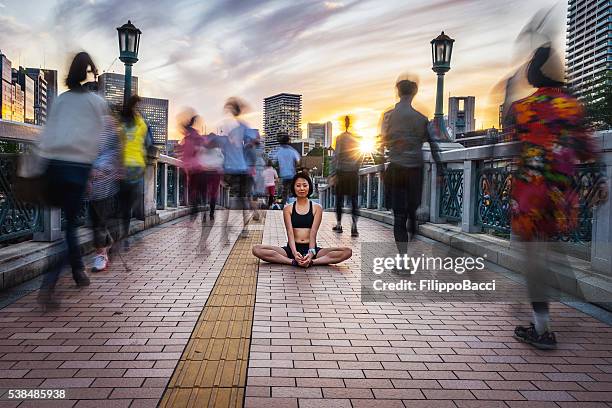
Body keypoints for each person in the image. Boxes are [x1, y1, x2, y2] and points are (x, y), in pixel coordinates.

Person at [506, 45, 603, 349]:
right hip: (561, 192)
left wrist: (509, 93)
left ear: (533, 73)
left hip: (530, 192)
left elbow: (513, 145)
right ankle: (549, 306)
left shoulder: (521, 108)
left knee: (534, 258)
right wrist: (599, 179)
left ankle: (541, 327)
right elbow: (587, 149)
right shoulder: (572, 108)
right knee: (546, 251)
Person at [36, 52, 108, 308]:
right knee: (71, 228)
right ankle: (50, 281)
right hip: (78, 167)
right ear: (90, 72)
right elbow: (99, 139)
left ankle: (78, 272)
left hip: (54, 166)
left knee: (69, 223)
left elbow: (47, 135)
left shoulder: (60, 100)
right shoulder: (96, 102)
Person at [380, 76, 442, 258]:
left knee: (399, 216)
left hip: (397, 168)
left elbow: (381, 143)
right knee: (411, 209)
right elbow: (433, 144)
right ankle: (413, 226)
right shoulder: (422, 119)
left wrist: (382, 168)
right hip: (416, 168)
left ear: (398, 92)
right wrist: (441, 172)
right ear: (414, 93)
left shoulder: (388, 116)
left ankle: (403, 259)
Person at [252, 172, 352, 267]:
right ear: (294, 188)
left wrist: (311, 253)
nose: (302, 188)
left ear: (309, 187)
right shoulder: (288, 208)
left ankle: (312, 262)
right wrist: (295, 253)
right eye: (298, 185)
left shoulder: (317, 208)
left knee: (347, 251)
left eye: (305, 185)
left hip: (312, 249)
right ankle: (292, 262)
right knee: (256, 249)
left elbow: (313, 232)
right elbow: (290, 233)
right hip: (291, 249)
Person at [88, 110, 122, 273]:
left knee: (99, 223)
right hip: (93, 187)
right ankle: (105, 248)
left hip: (105, 187)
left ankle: (101, 255)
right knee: (97, 222)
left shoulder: (114, 139)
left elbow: (114, 158)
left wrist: (101, 170)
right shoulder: (97, 134)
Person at [117, 95, 153, 248]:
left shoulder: (119, 123)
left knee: (121, 203)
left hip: (121, 167)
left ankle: (118, 234)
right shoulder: (142, 124)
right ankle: (124, 235)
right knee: (129, 204)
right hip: (137, 168)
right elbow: (149, 143)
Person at [332, 115, 362, 237]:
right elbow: (359, 155)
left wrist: (333, 173)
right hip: (353, 172)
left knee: (339, 200)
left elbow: (336, 156)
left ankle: (339, 225)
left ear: (343, 123)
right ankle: (354, 227)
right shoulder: (355, 138)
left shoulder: (340, 138)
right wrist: (356, 168)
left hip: (342, 172)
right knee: (354, 200)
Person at [276, 133, 301, 206]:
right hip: (291, 173)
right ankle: (293, 204)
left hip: (283, 174)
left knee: (284, 190)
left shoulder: (279, 151)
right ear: (288, 141)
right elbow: (298, 160)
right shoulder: (292, 151)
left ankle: (284, 205)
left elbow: (274, 161)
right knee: (293, 189)